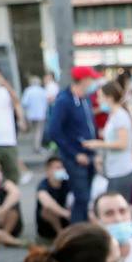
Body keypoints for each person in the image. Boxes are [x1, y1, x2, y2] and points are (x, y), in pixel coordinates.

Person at [45, 65, 101, 223]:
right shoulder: (64, 100)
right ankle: (77, 231)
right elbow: (54, 131)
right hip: (75, 157)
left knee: (86, 197)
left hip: (89, 153)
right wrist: (75, 154)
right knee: (81, 197)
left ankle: (83, 229)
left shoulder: (85, 98)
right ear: (82, 80)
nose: (93, 82)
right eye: (91, 79)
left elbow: (89, 124)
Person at [86, 80, 132, 202]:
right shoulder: (114, 115)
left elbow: (123, 143)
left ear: (109, 98)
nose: (98, 101)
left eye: (100, 97)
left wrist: (98, 144)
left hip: (121, 171)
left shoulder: (120, 115)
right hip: (115, 170)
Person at [33, 153, 71, 243]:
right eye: (58, 168)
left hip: (67, 221)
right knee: (47, 210)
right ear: (48, 170)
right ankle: (61, 234)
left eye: (63, 167)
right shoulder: (43, 185)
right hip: (47, 227)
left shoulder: (68, 183)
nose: (62, 170)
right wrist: (65, 213)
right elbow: (45, 201)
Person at [20, 72, 49, 154]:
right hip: (41, 114)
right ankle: (37, 146)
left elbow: (24, 103)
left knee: (33, 130)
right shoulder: (42, 91)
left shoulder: (28, 91)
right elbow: (46, 102)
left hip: (31, 114)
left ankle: (34, 145)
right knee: (39, 131)